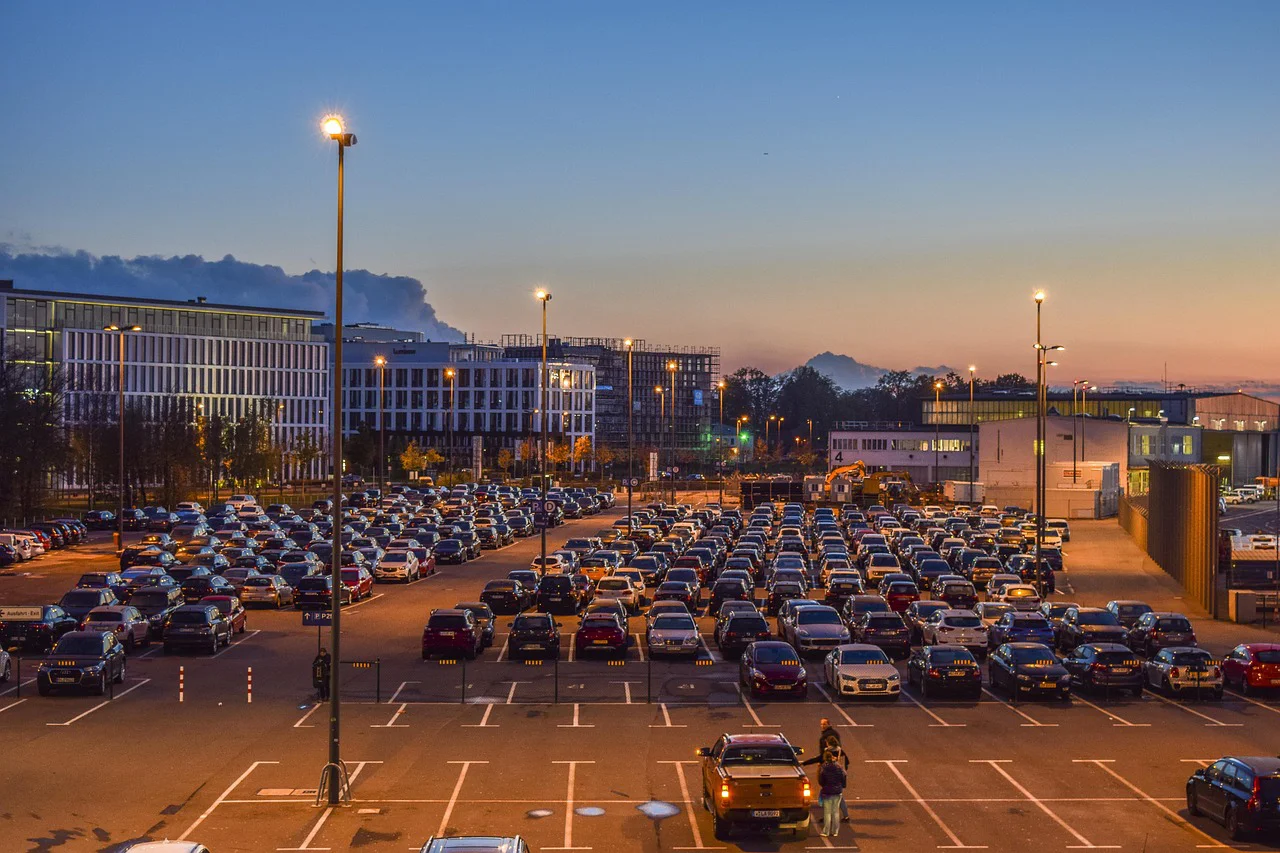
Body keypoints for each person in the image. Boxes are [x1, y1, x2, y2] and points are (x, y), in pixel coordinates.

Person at [818, 749, 847, 838]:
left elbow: (821, 781)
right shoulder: (839, 767)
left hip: (827, 792)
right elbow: (843, 776)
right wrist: (842, 785)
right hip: (838, 791)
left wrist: (824, 786)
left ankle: (826, 831)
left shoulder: (824, 768)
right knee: (836, 812)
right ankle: (835, 832)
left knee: (827, 813)